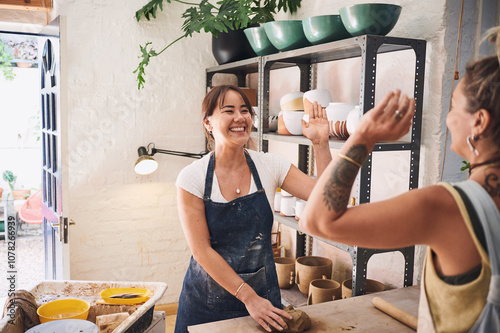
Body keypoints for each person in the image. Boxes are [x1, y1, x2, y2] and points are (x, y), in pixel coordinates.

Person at [299, 28, 500, 332]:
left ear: (479, 122)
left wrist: (364, 136)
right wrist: (322, 143)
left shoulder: (448, 207)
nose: (447, 119)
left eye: (453, 107)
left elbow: (318, 221)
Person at [174, 85, 331, 332]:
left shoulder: (269, 166)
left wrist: (321, 144)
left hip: (263, 305)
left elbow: (327, 200)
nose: (240, 118)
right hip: (206, 305)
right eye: (229, 110)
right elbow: (201, 251)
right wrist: (248, 298)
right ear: (208, 123)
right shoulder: (192, 178)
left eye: (244, 110)